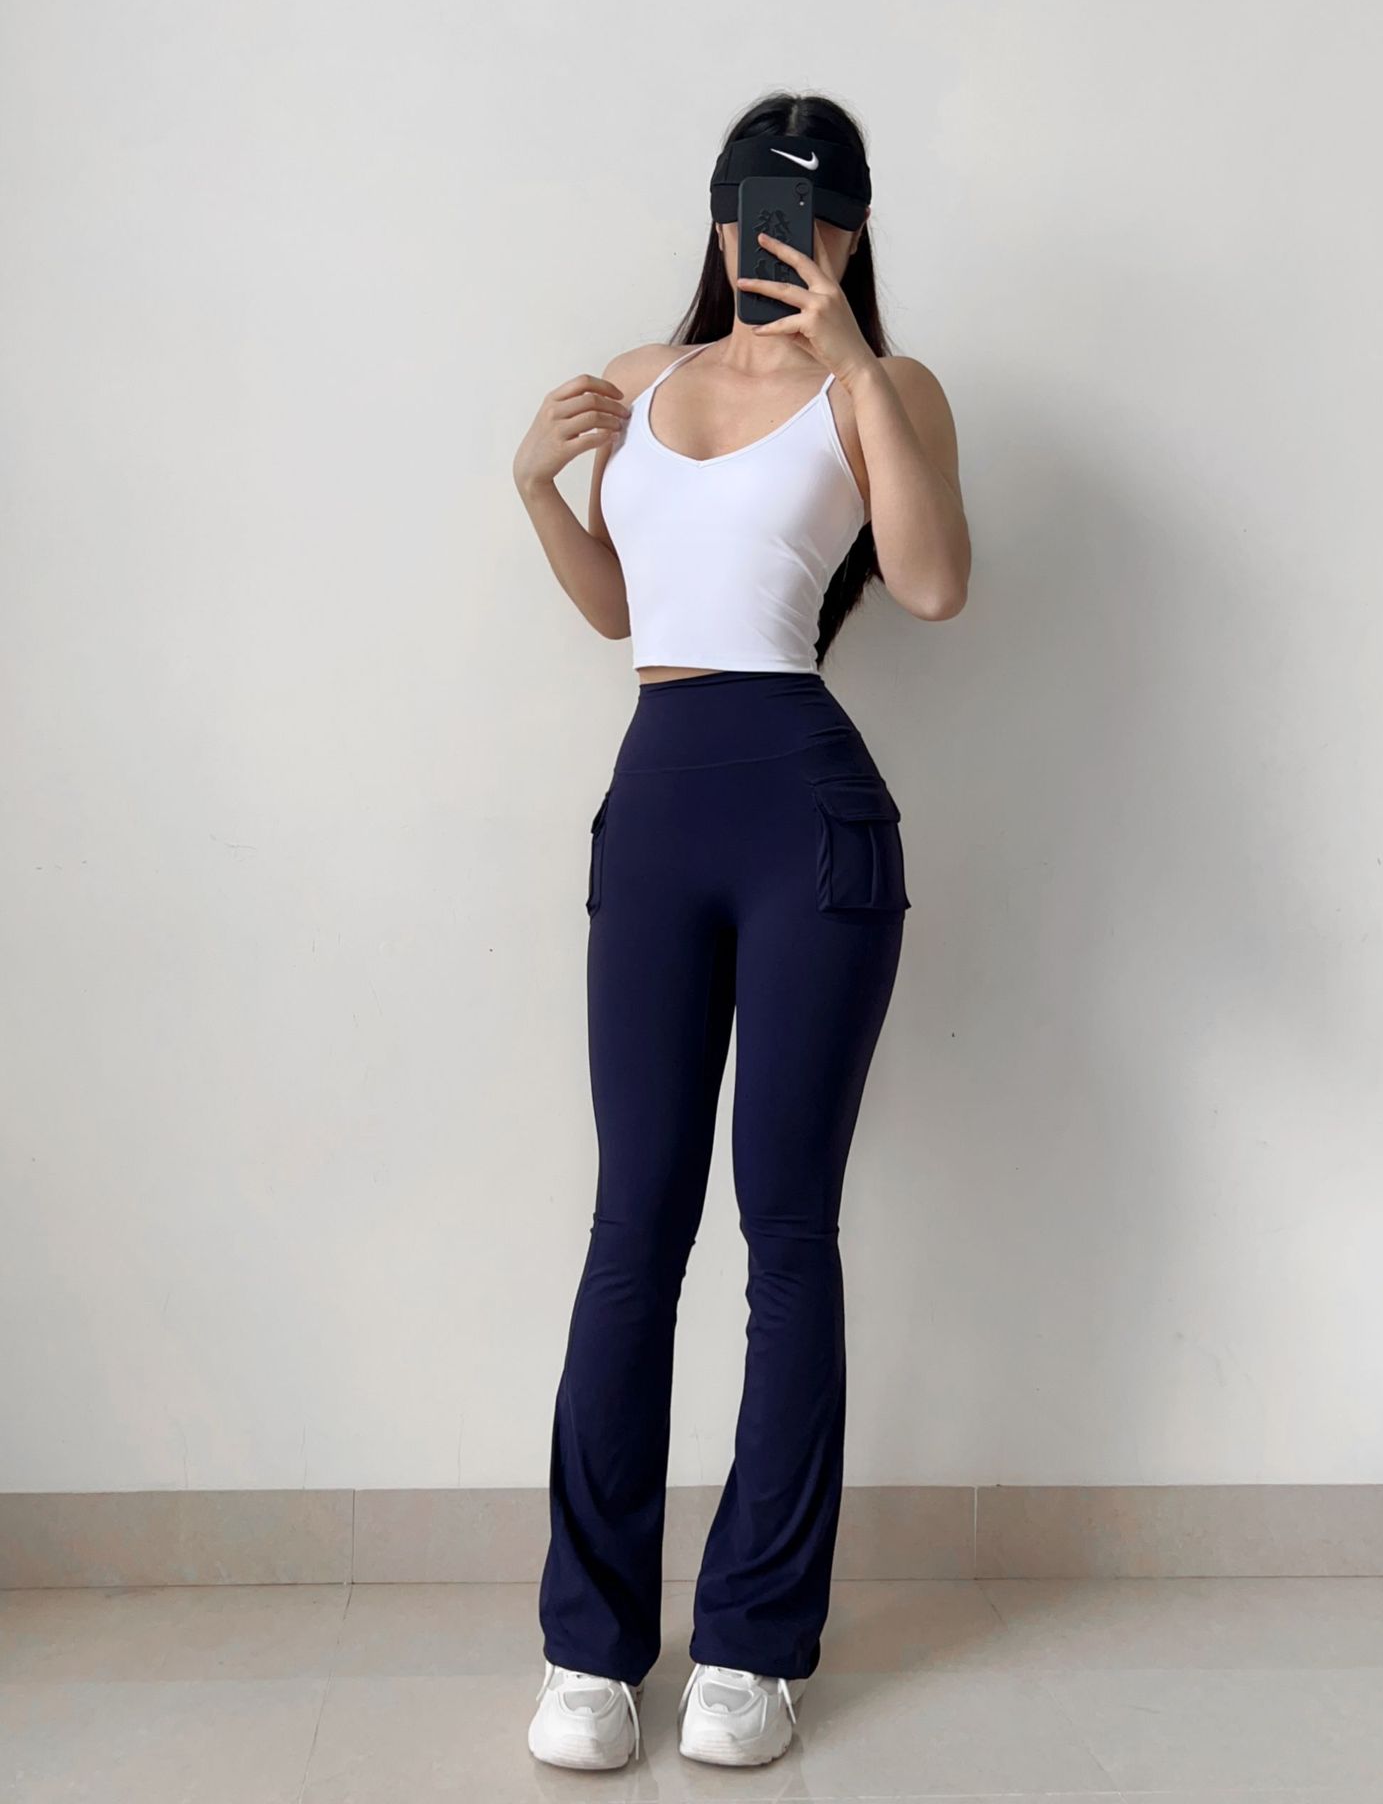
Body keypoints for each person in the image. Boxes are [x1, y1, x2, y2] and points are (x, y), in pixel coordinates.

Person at [511, 92, 970, 1771]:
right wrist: (537, 490)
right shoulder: (637, 379)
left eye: (817, 216)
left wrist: (852, 368)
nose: (783, 241)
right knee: (632, 1226)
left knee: (784, 1230)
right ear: (716, 219)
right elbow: (626, 614)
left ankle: (752, 1650)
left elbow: (930, 584)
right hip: (655, 811)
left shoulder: (886, 389)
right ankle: (588, 1653)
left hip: (806, 816)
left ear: (855, 228)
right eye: (756, 211)